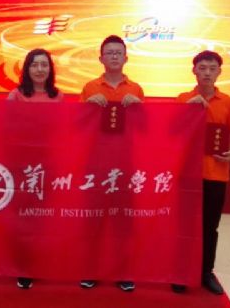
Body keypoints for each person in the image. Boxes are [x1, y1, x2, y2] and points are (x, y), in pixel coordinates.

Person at [173, 50, 230, 295]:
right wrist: (188, 109)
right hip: (187, 174)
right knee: (184, 226)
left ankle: (206, 272)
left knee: (210, 227)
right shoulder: (183, 99)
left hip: (216, 174)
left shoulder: (227, 102)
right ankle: (181, 272)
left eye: (212, 69)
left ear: (219, 72)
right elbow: (173, 131)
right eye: (202, 68)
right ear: (194, 71)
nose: (207, 73)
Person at [79, 35, 144, 293]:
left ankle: (123, 272)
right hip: (96, 164)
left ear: (126, 58)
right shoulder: (89, 88)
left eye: (118, 52)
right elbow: (77, 126)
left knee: (123, 223)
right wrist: (87, 107)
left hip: (125, 164)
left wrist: (140, 108)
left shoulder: (136, 89)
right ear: (101, 58)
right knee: (92, 221)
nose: (114, 56)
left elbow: (144, 129)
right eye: (109, 52)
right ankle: (90, 270)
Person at [7, 48, 63, 289]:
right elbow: (5, 126)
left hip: (48, 163)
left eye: (44, 65)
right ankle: (23, 264)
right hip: (22, 164)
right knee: (23, 214)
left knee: (43, 215)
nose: (40, 69)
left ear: (50, 69)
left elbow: (63, 130)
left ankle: (40, 260)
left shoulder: (57, 96)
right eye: (34, 65)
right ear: (26, 69)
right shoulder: (16, 95)